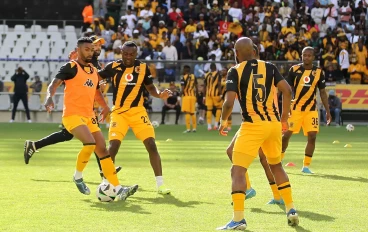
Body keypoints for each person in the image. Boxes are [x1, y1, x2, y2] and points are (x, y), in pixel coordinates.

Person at [217, 37, 299, 230]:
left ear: (237, 54)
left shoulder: (235, 71)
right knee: (276, 166)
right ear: (253, 51)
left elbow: (229, 102)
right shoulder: (270, 67)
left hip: (253, 125)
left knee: (238, 171)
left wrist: (223, 121)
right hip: (273, 124)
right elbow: (287, 90)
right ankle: (291, 209)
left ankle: (238, 219)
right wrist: (284, 118)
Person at [43, 37, 138, 200]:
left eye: (91, 49)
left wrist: (106, 107)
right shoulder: (71, 67)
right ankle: (78, 176)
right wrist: (49, 97)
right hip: (72, 115)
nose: (90, 52)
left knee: (102, 150)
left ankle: (118, 188)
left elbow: (96, 92)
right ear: (78, 50)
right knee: (90, 143)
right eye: (86, 49)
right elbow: (54, 83)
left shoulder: (94, 71)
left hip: (89, 116)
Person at [23, 36, 122, 179]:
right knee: (91, 140)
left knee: (71, 136)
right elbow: (68, 76)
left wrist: (104, 104)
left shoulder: (95, 66)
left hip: (88, 109)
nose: (98, 48)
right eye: (96, 45)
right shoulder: (80, 63)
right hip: (76, 110)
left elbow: (96, 89)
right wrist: (50, 96)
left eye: (99, 46)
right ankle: (103, 172)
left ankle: (34, 145)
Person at [98, 41, 172, 194]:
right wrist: (100, 84)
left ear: (136, 54)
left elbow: (150, 87)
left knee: (151, 144)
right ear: (121, 53)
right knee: (113, 147)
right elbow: (96, 78)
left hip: (138, 112)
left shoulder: (143, 68)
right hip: (119, 112)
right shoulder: (113, 67)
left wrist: (160, 95)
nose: (128, 57)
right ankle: (106, 183)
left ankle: (161, 185)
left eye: (131, 54)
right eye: (125, 53)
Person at [225, 44, 285, 206]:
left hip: (261, 120)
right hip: (261, 120)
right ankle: (259, 190)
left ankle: (270, 194)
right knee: (235, 152)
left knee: (265, 160)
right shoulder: (265, 69)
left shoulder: (256, 71)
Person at [283, 47, 332, 174]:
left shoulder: (319, 72)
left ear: (313, 57)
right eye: (304, 55)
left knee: (312, 136)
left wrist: (327, 111)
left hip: (311, 110)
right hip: (295, 109)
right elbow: (287, 91)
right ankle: (278, 161)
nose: (306, 58)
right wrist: (286, 109)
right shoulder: (294, 70)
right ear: (301, 56)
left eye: (309, 55)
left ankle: (306, 166)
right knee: (286, 135)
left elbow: (322, 92)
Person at [204, 63, 222, 131]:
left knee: (209, 110)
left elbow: (205, 86)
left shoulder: (207, 75)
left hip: (208, 94)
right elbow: (219, 84)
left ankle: (209, 126)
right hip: (216, 94)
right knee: (219, 108)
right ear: (215, 67)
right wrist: (221, 94)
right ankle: (216, 125)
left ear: (210, 68)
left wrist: (203, 96)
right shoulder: (218, 74)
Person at [181, 65, 197, 133]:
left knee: (187, 112)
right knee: (192, 112)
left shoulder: (183, 78)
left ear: (185, 70)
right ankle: (194, 128)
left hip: (186, 97)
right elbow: (196, 86)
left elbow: (182, 88)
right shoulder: (194, 76)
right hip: (193, 96)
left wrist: (180, 95)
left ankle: (188, 129)